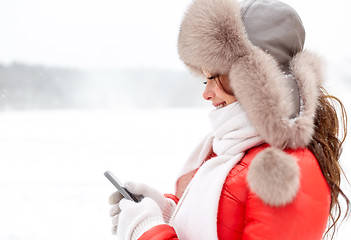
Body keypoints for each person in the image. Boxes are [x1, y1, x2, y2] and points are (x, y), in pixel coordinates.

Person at [108, 0, 350, 239]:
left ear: (253, 77)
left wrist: (146, 231)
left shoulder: (285, 170)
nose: (206, 93)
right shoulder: (231, 150)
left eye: (215, 77)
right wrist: (163, 211)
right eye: (205, 79)